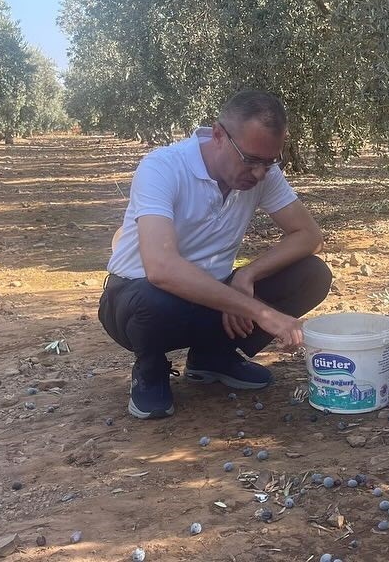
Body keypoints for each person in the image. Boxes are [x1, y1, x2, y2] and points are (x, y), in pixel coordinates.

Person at [98, 90, 331, 419]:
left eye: (270, 162)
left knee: (312, 274)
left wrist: (247, 275)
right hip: (135, 300)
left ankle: (213, 357)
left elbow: (309, 235)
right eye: (250, 160)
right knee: (155, 298)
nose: (260, 174)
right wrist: (263, 313)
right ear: (219, 135)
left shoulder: (262, 174)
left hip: (210, 295)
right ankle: (150, 369)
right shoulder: (163, 167)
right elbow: (161, 268)